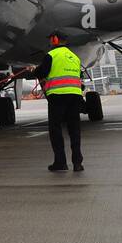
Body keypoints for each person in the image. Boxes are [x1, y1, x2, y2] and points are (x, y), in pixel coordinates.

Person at [25, 32, 85, 172]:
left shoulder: (51, 55)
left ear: (55, 40)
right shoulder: (75, 57)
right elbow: (79, 76)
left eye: (50, 40)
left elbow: (42, 72)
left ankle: (60, 162)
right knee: (74, 130)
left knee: (56, 130)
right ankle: (77, 163)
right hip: (75, 96)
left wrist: (33, 70)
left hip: (58, 96)